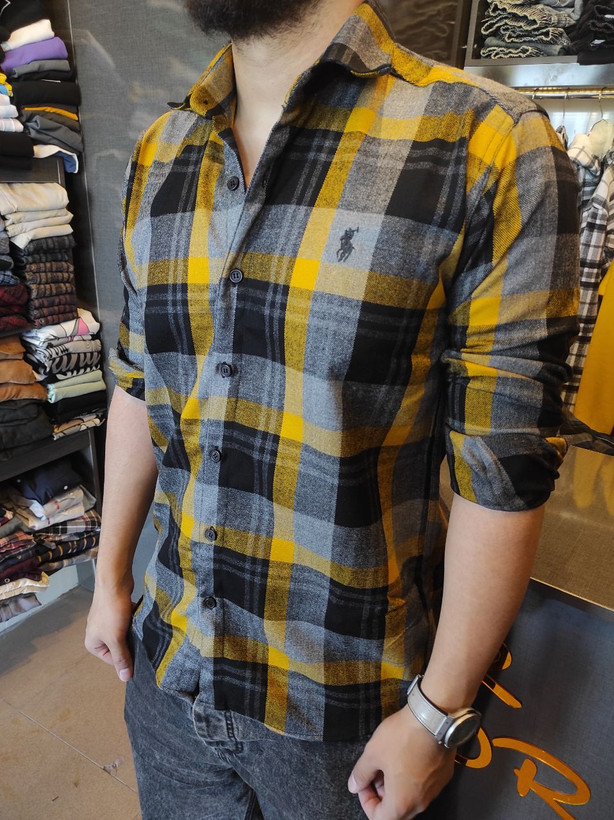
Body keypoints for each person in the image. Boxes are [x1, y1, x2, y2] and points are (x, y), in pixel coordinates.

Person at [84, 1, 579, 818]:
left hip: (346, 723)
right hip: (171, 672)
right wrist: (110, 579)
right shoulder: (161, 150)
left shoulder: (486, 141)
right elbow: (140, 383)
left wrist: (439, 713)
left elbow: (504, 467)